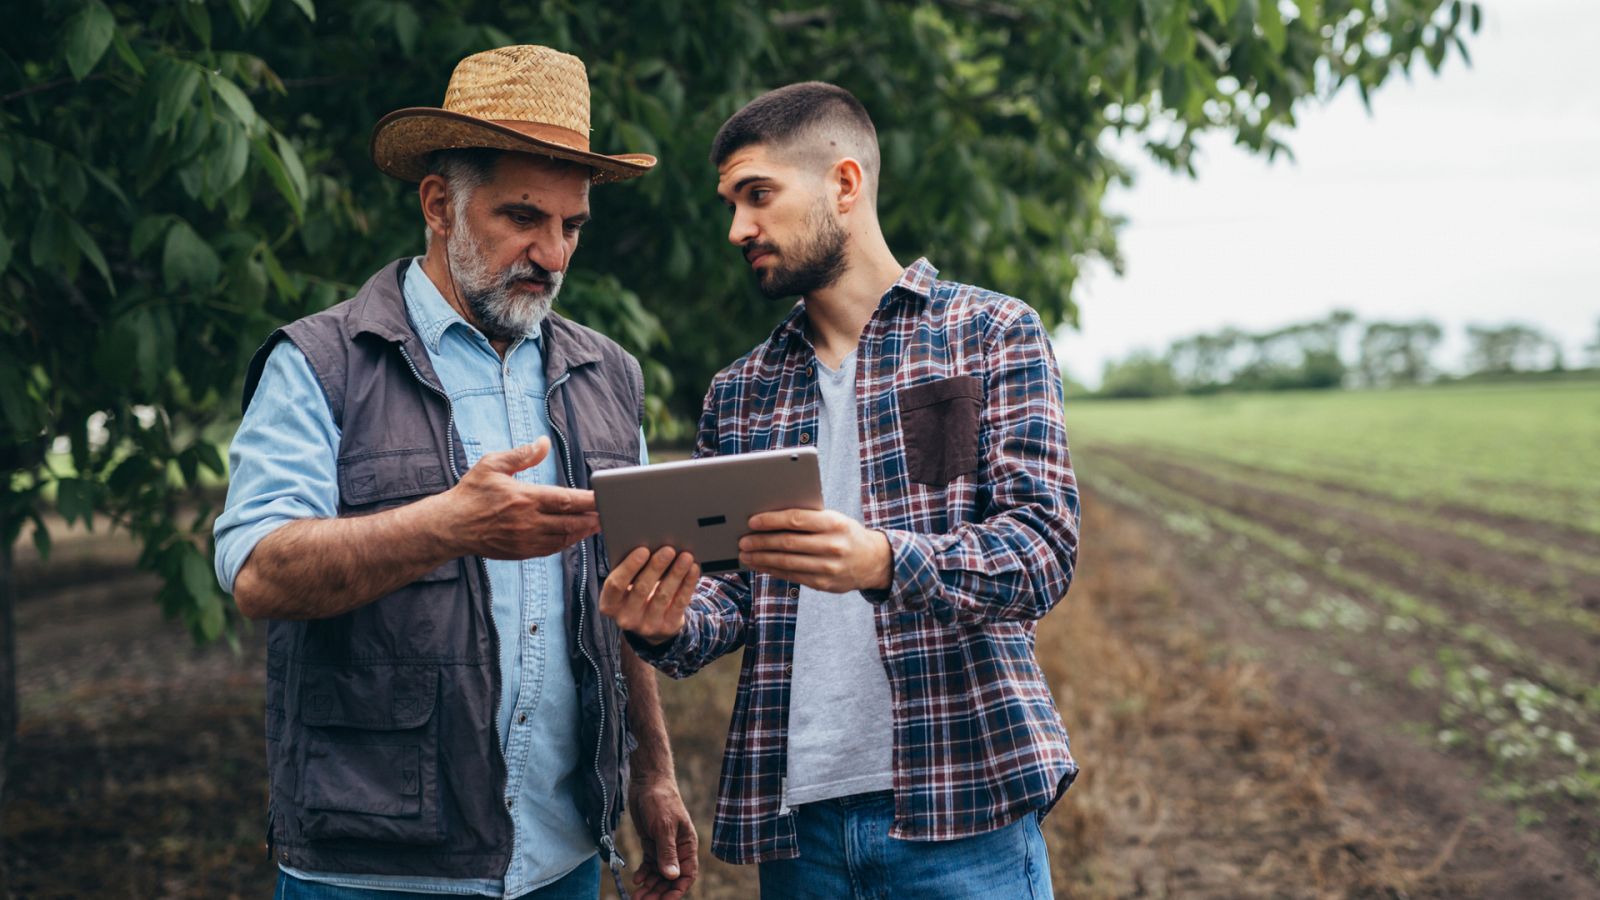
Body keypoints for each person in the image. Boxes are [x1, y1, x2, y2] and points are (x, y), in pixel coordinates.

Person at [214, 45, 695, 900]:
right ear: (439, 203)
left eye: (571, 225)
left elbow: (622, 598)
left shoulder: (608, 373)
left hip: (563, 857)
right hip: (370, 866)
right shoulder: (322, 362)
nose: (551, 253)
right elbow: (257, 571)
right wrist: (449, 525)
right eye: (522, 217)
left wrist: (651, 775)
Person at [598, 82, 1080, 898]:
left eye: (757, 195)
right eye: (730, 203)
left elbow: (1043, 548)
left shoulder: (992, 333)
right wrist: (667, 623)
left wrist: (887, 561)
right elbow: (736, 599)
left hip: (965, 801)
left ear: (844, 184)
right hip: (800, 827)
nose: (737, 228)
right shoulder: (739, 391)